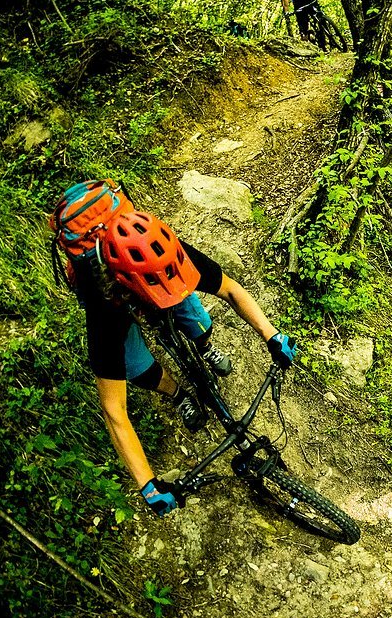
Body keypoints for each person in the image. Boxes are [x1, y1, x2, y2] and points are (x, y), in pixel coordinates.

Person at [74, 210, 298, 518]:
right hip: (117, 300)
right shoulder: (105, 313)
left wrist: (272, 335)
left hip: (153, 272)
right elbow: (115, 412)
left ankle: (204, 347)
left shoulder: (164, 252)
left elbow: (230, 289)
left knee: (199, 323)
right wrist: (148, 485)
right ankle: (179, 394)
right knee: (140, 369)